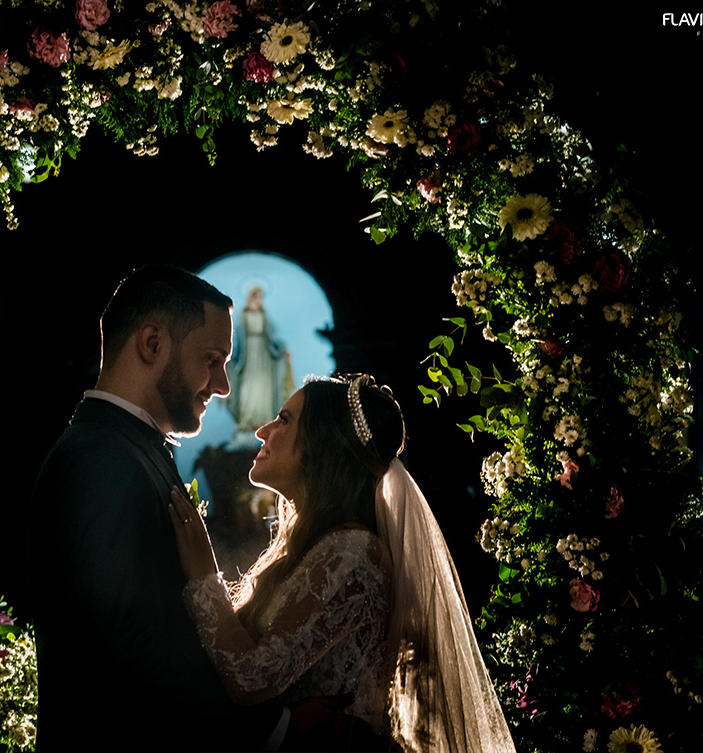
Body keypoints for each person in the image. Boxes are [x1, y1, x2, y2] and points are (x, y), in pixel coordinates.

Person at [169, 375, 516, 752]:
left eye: (284, 419)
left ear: (323, 445)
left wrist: (204, 576)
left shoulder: (351, 554)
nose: (262, 431)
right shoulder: (318, 547)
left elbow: (251, 678)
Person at [27, 264, 286, 751]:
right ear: (151, 343)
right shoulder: (101, 460)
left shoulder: (129, 448)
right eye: (212, 359)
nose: (224, 385)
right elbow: (132, 644)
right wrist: (276, 732)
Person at [225, 285, 295, 434]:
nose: (258, 300)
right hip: (247, 356)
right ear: (250, 297)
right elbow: (236, 338)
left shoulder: (265, 316)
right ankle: (247, 421)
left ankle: (265, 420)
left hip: (264, 357)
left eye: (260, 297)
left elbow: (274, 335)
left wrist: (283, 350)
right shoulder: (241, 316)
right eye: (255, 296)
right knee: (248, 389)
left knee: (264, 388)